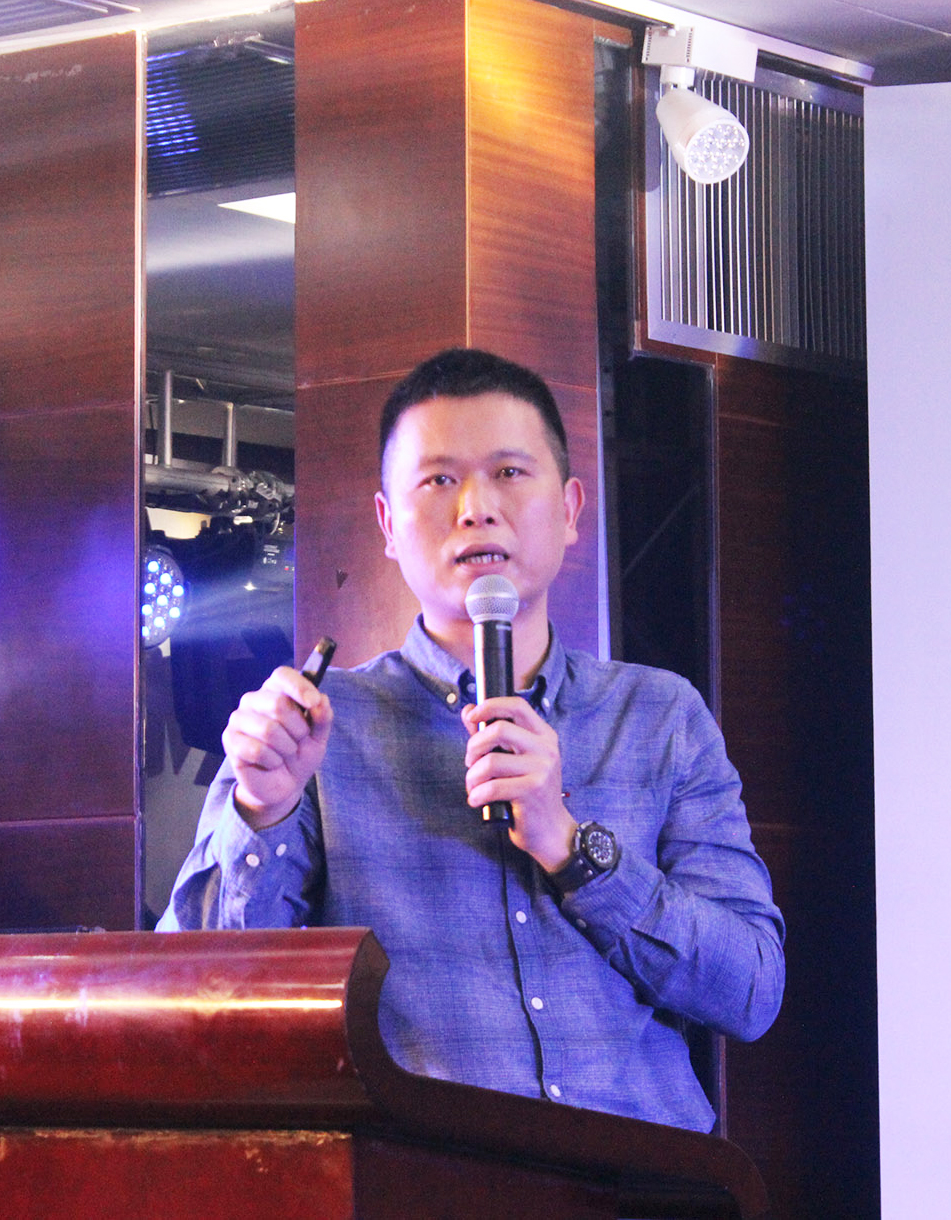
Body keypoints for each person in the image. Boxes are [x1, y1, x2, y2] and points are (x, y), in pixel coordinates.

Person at [159, 347, 783, 1132]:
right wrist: (262, 810)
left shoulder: (658, 715)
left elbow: (749, 991)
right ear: (387, 525)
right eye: (437, 481)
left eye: (509, 473)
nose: (475, 508)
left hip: (645, 1174)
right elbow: (199, 1005)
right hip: (427, 1176)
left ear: (570, 509)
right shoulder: (313, 728)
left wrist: (572, 847)